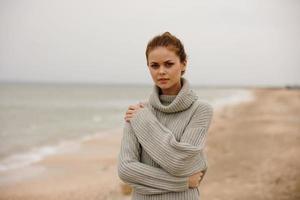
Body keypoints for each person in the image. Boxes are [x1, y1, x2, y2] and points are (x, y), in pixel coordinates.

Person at [117, 32, 214, 199]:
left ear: (183, 64)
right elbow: (126, 170)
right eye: (154, 66)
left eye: (168, 64)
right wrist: (182, 182)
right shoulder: (138, 112)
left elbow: (179, 163)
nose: (161, 71)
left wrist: (144, 122)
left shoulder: (201, 110)